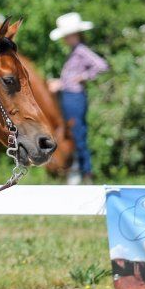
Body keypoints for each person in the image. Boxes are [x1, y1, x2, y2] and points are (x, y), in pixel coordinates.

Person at [48, 12, 108, 185]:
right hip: (69, 96)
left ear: (74, 35)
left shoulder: (81, 50)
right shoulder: (74, 51)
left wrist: (81, 77)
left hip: (74, 97)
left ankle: (86, 174)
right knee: (72, 133)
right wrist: (61, 82)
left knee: (78, 134)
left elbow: (102, 66)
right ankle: (77, 171)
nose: (65, 39)